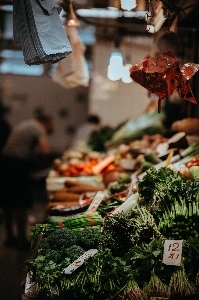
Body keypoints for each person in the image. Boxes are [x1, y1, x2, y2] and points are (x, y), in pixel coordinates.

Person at [0, 114, 54, 250]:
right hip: (17, 165)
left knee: (7, 202)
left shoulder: (27, 123)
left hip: (5, 162)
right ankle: (22, 240)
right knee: (21, 203)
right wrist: (52, 165)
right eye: (52, 126)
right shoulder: (38, 128)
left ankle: (10, 237)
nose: (52, 129)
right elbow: (45, 151)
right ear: (47, 122)